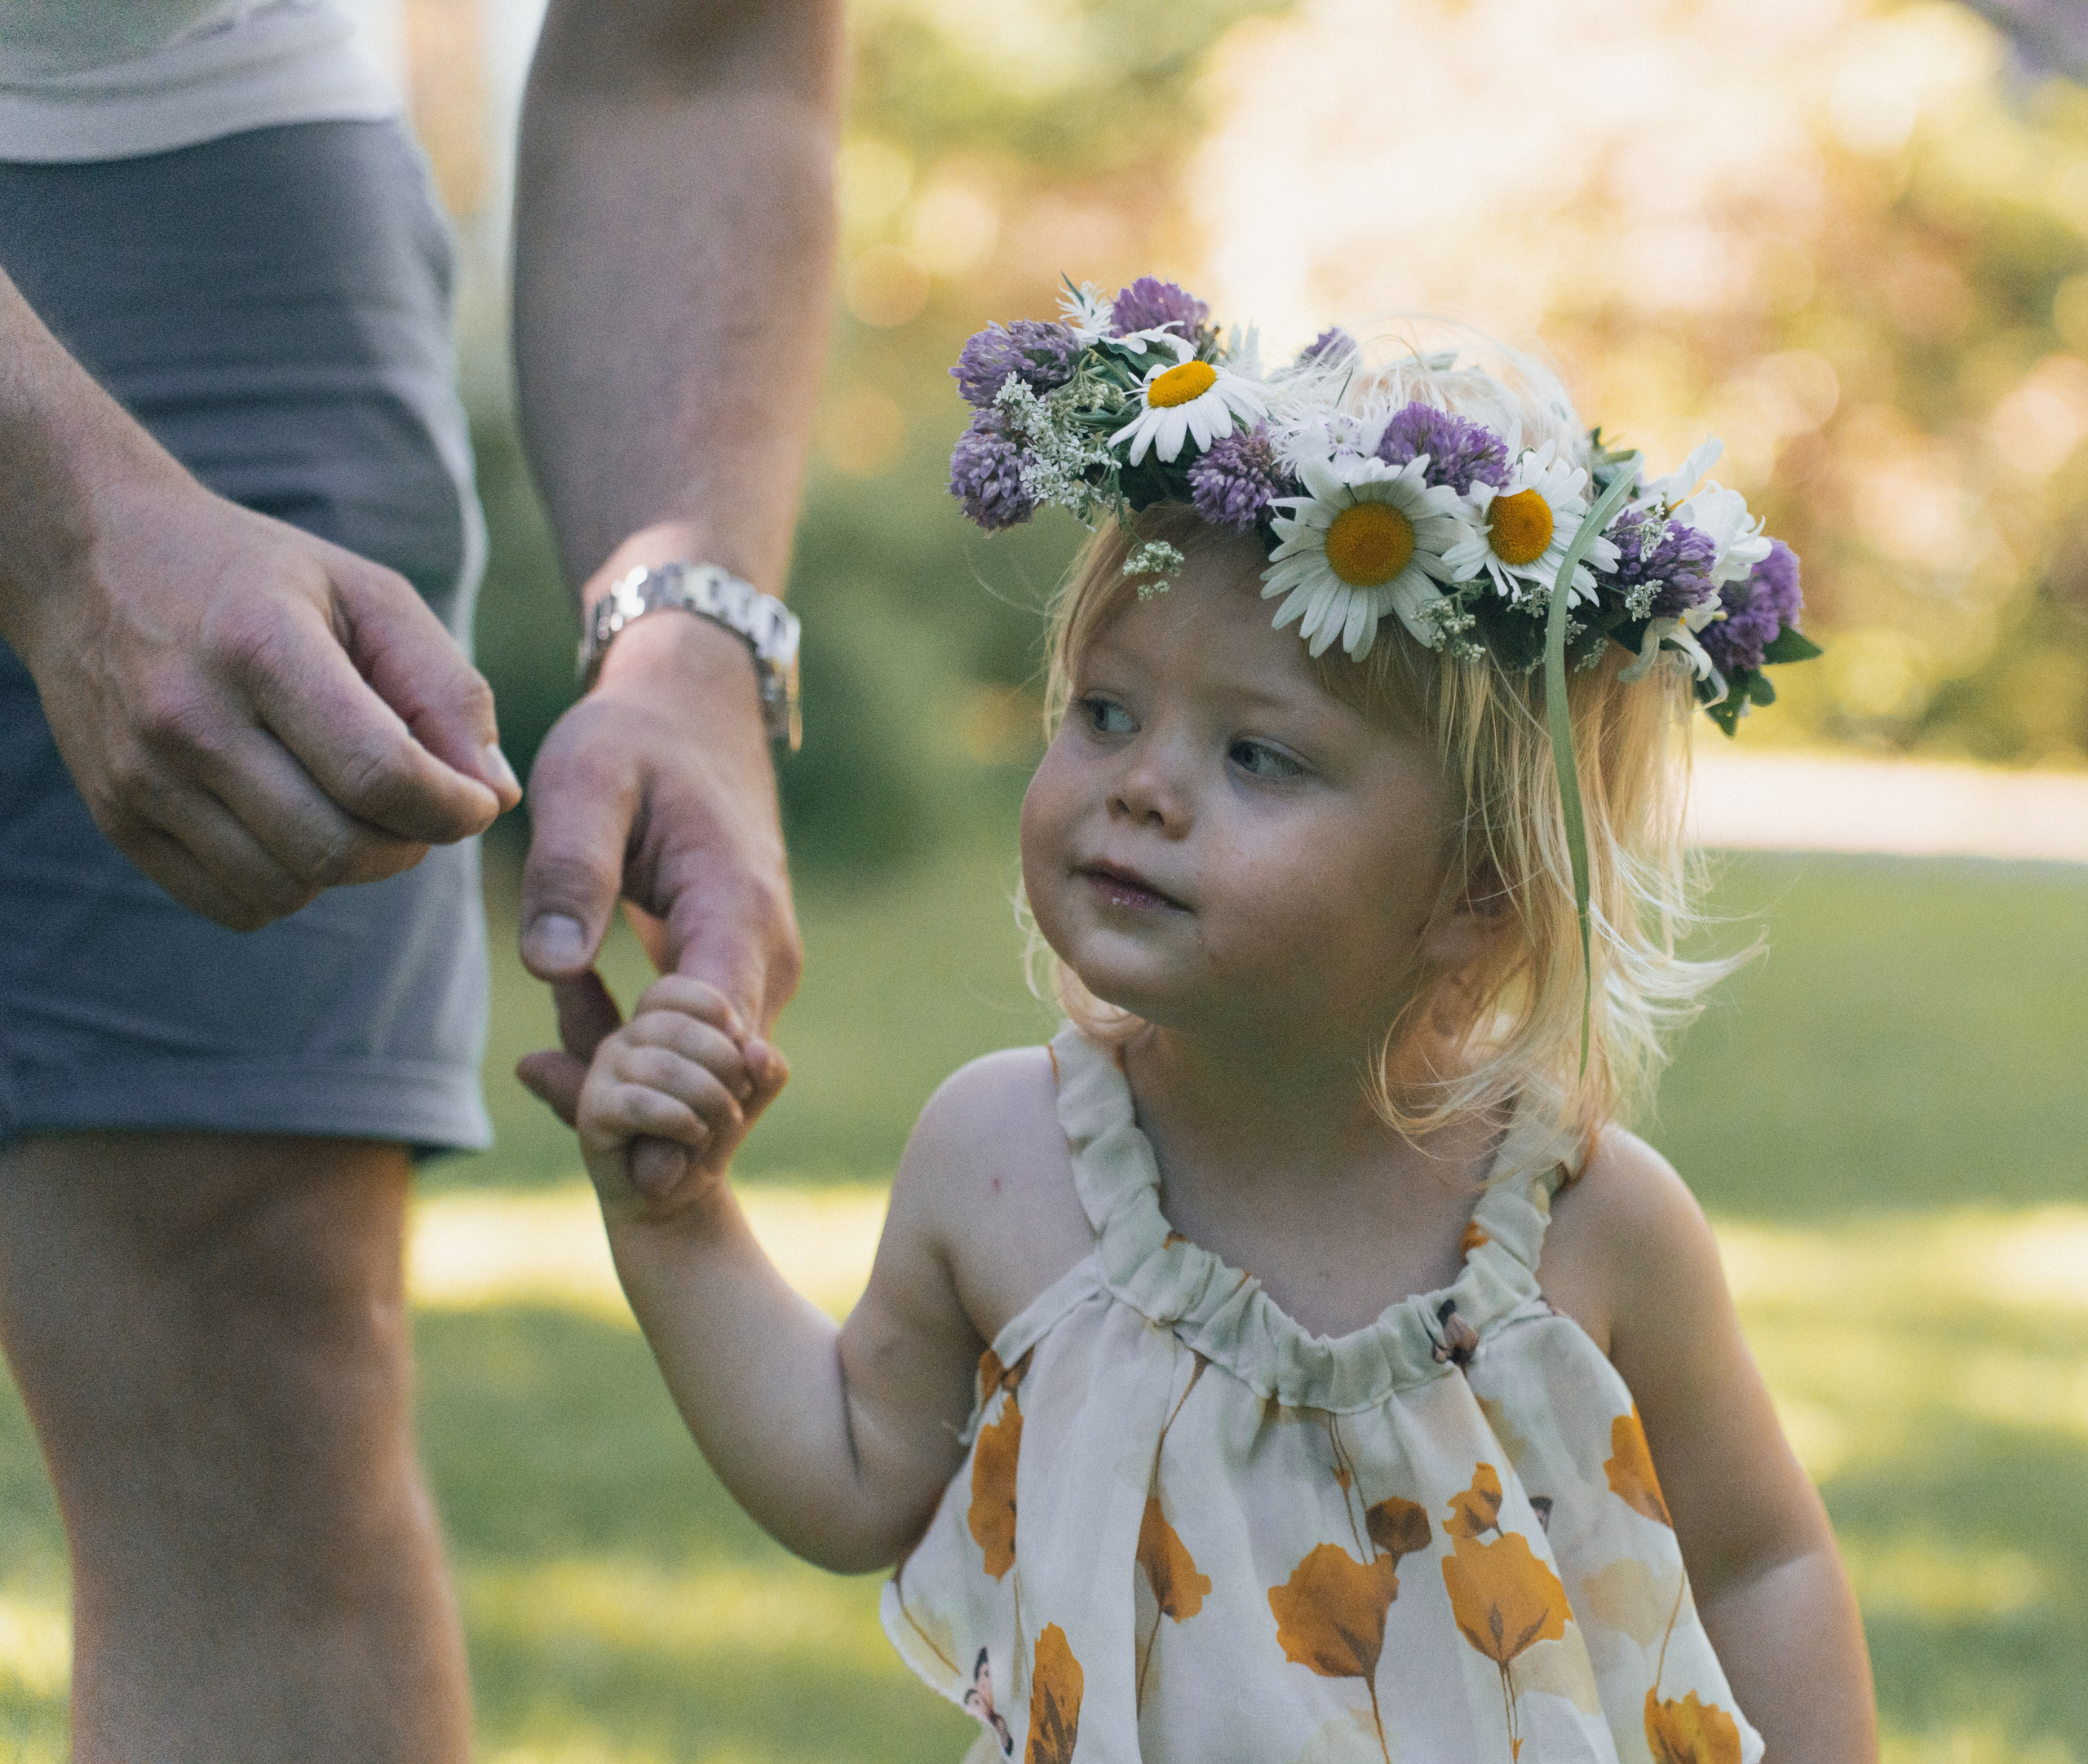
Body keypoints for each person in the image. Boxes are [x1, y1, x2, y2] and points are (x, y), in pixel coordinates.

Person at [564, 289, 1877, 1761]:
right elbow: (858, 1474)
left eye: (1258, 754)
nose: (1143, 788)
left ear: (1480, 891)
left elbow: (1761, 1556)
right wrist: (677, 1230)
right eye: (1107, 714)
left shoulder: (1585, 1223)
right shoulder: (1008, 1161)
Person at [0, 1, 839, 1757]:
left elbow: (701, 51)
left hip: (203, 170)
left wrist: (688, 632)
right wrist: (68, 513)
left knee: (255, 1354)